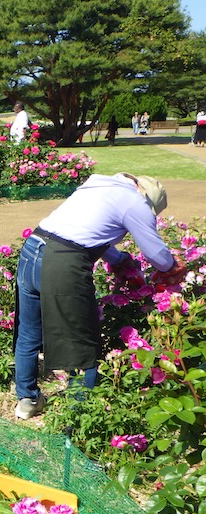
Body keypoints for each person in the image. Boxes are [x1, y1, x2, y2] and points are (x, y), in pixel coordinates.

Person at [13, 173, 187, 419]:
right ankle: (78, 416)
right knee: (82, 343)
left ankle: (27, 401)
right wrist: (173, 265)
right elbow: (158, 257)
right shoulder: (136, 203)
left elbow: (89, 234)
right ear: (148, 201)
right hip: (62, 262)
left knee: (29, 332)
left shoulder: (100, 186)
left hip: (33, 249)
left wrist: (119, 260)